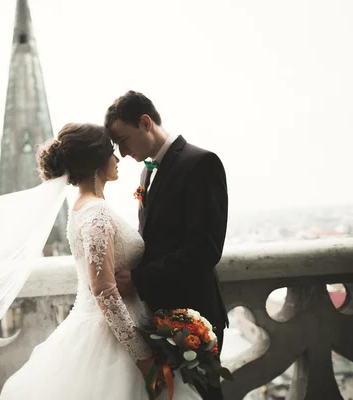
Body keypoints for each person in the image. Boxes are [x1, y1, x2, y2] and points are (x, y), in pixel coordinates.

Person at [0, 122, 202, 399]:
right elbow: (104, 291)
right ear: (96, 160)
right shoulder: (96, 212)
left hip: (102, 328)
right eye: (111, 152)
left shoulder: (82, 206)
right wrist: (142, 359)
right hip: (112, 341)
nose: (117, 159)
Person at [106, 90, 229, 400]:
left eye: (123, 140)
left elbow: (205, 249)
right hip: (157, 314)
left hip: (195, 316)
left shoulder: (201, 163)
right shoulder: (147, 171)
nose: (121, 152)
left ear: (145, 122)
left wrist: (139, 280)